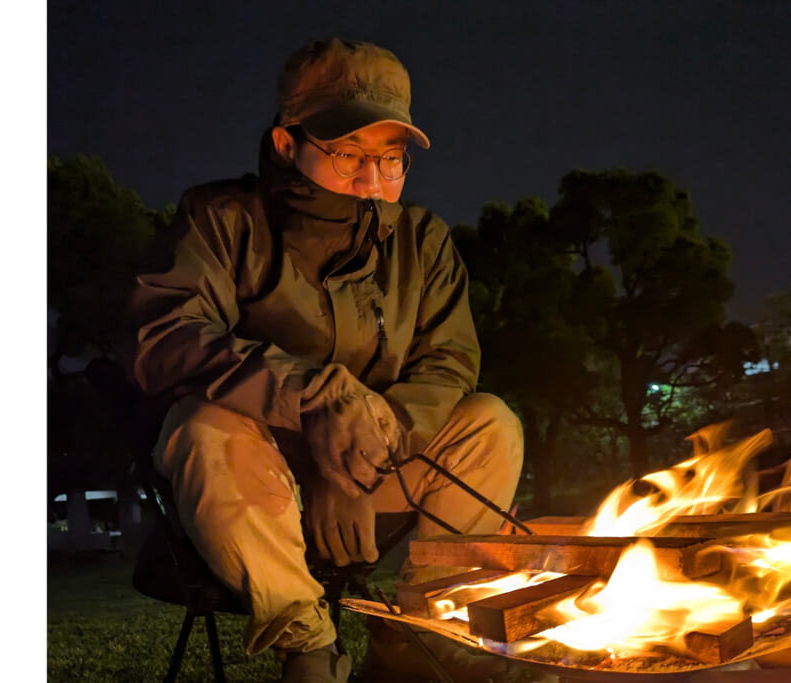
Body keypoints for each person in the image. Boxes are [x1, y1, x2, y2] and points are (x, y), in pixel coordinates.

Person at [126, 38, 525, 682]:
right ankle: (309, 644)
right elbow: (166, 338)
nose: (371, 180)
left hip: (380, 470)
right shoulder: (222, 220)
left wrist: (356, 467)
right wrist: (314, 400)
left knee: (489, 422)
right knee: (200, 426)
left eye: (389, 159)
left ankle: (422, 631)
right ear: (288, 145)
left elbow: (447, 364)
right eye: (347, 154)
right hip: (255, 477)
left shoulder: (422, 241)